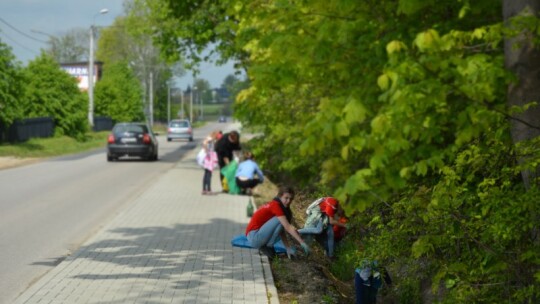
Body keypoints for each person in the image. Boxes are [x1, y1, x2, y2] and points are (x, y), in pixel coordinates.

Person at [245, 186, 310, 259]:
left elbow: (281, 230)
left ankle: (268, 246)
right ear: (280, 196)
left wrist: (287, 248)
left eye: (291, 199)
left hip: (254, 236)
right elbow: (287, 227)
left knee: (281, 221)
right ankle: (268, 247)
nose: (288, 201)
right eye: (286, 198)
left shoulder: (278, 205)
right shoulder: (276, 206)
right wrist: (302, 242)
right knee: (281, 220)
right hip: (254, 237)